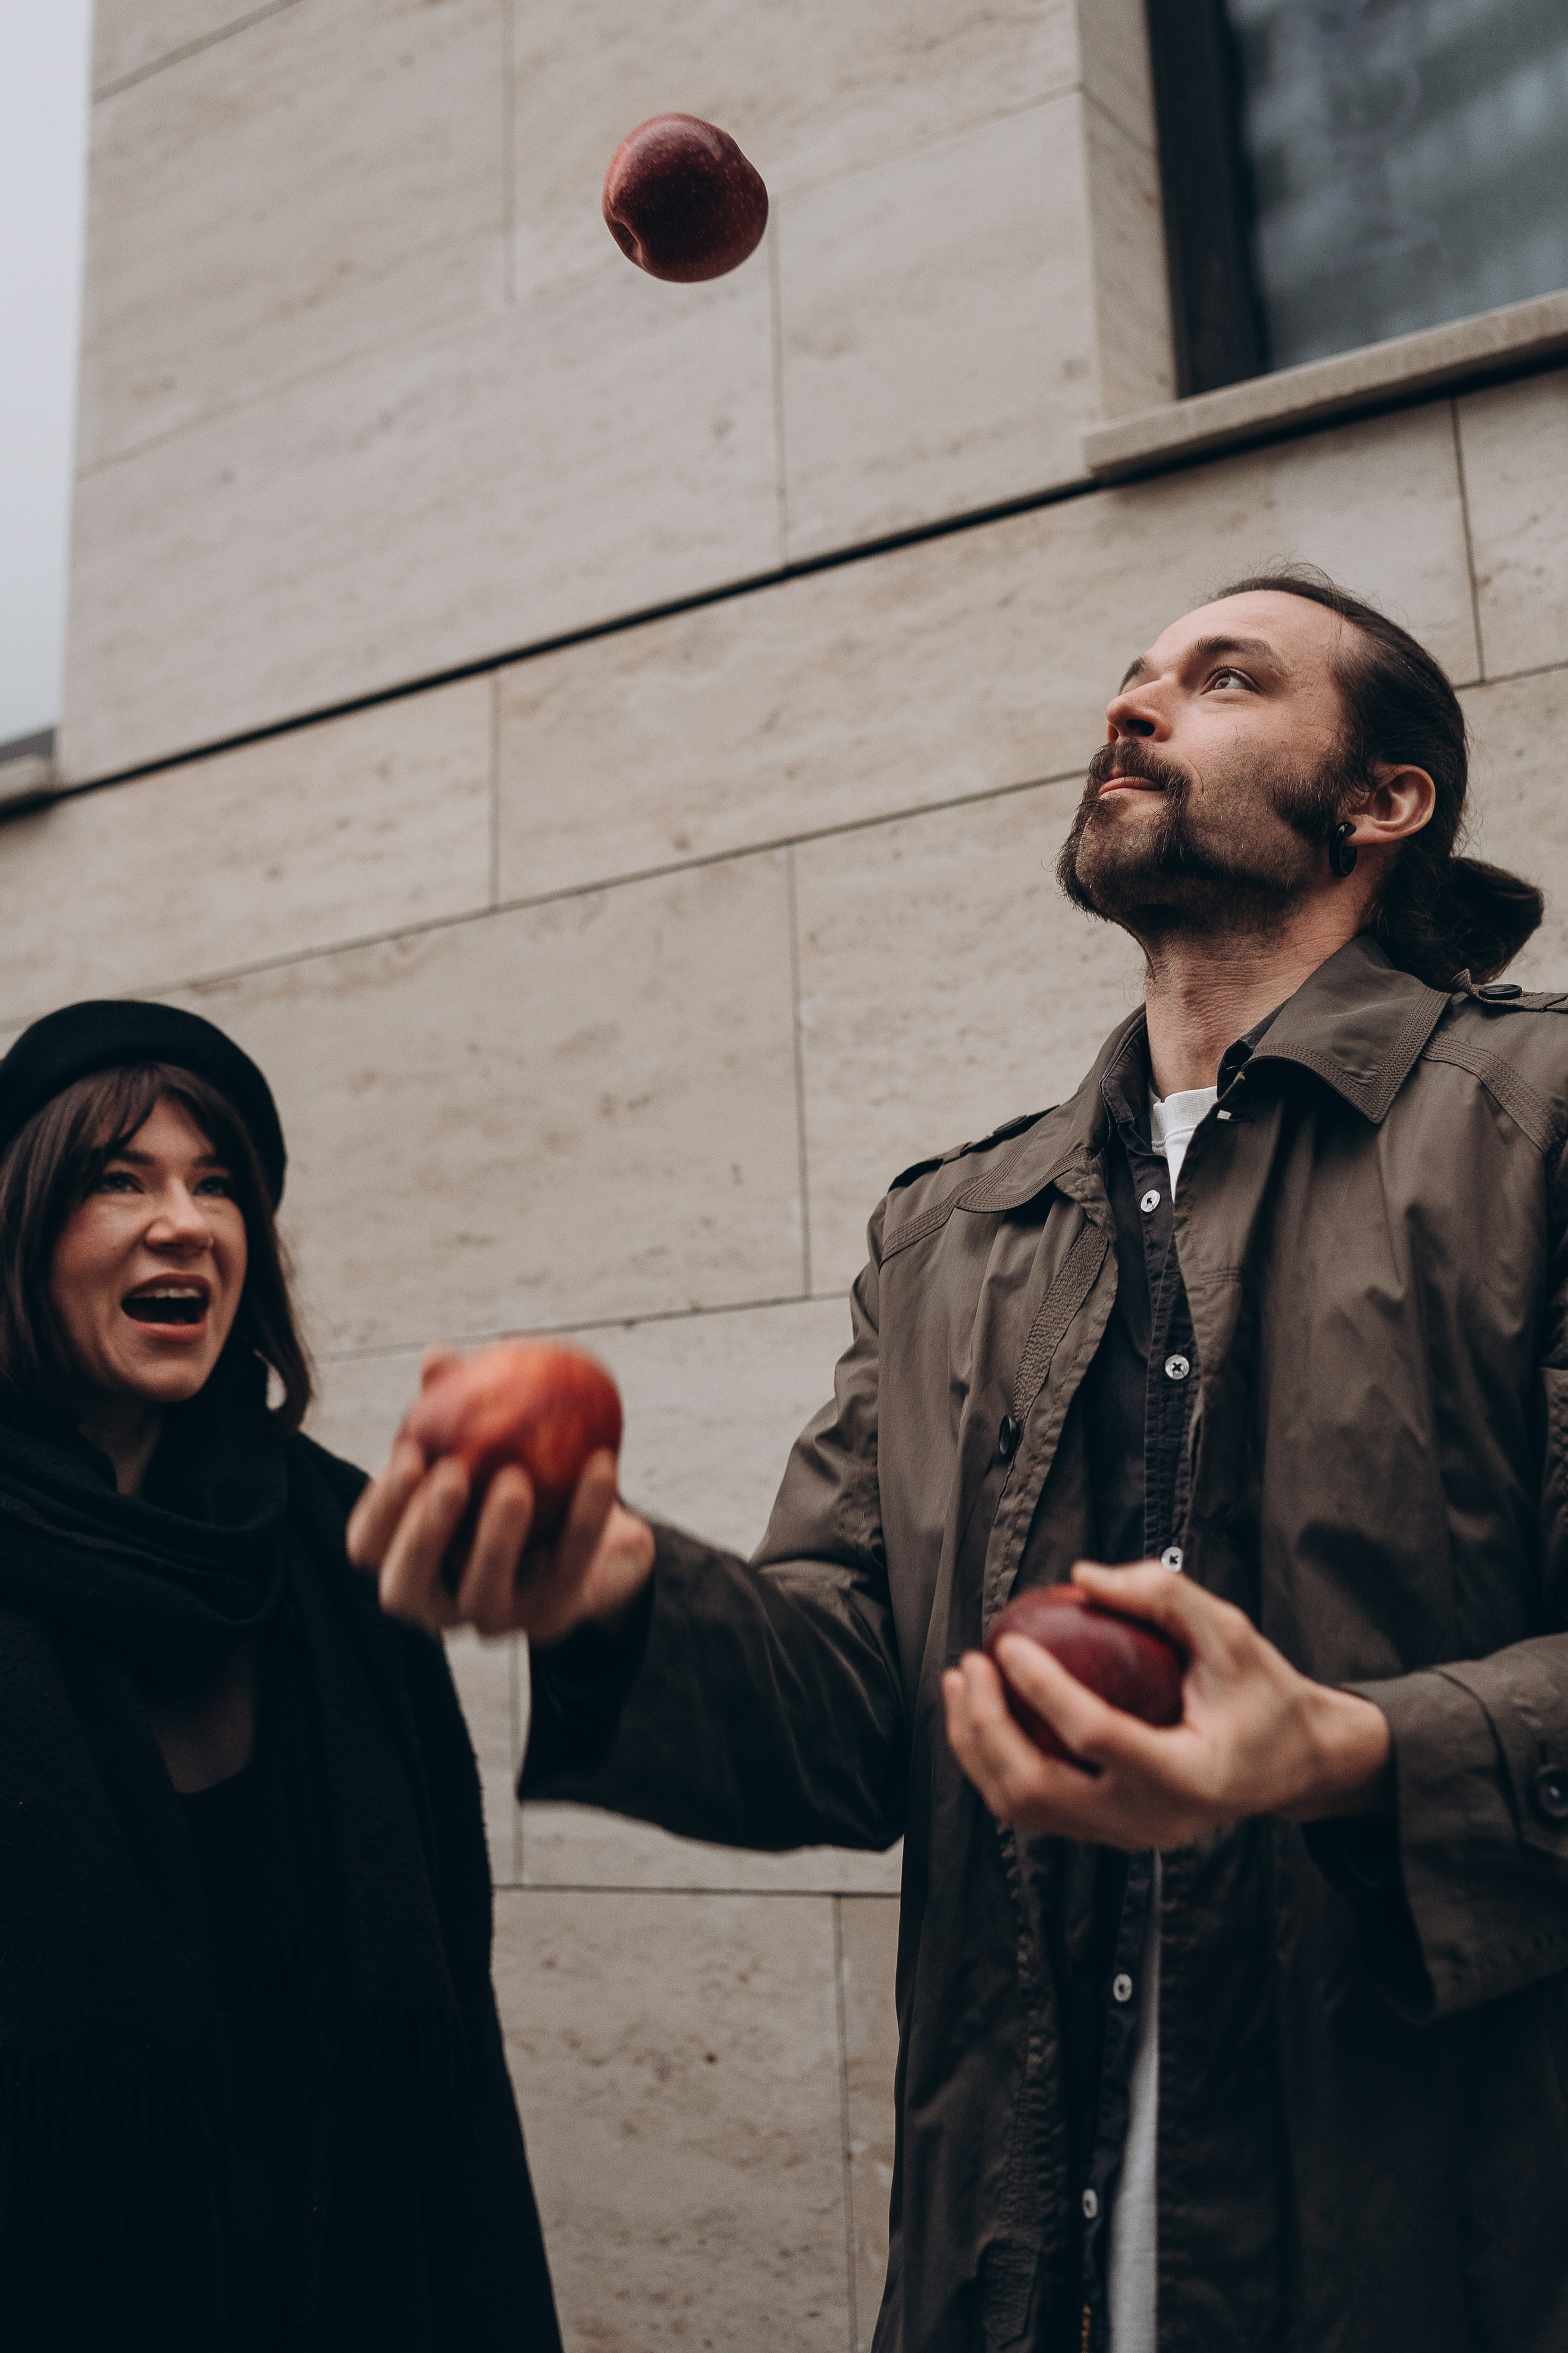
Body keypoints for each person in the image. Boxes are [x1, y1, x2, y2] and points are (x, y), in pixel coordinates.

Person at [349, 570, 1568, 2353]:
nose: (1133, 709)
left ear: (1385, 803)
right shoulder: (956, 1230)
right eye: (1129, 679)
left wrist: (1350, 1752)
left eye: (1223, 680)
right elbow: (861, 1708)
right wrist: (621, 1588)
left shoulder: (1538, 1132)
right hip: (1013, 2275)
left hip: (1451, 2265)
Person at [0, 1001, 560, 2353]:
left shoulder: (341, 1548)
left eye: (217, 1184)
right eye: (116, 1179)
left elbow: (450, 2048)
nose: (184, 1222)